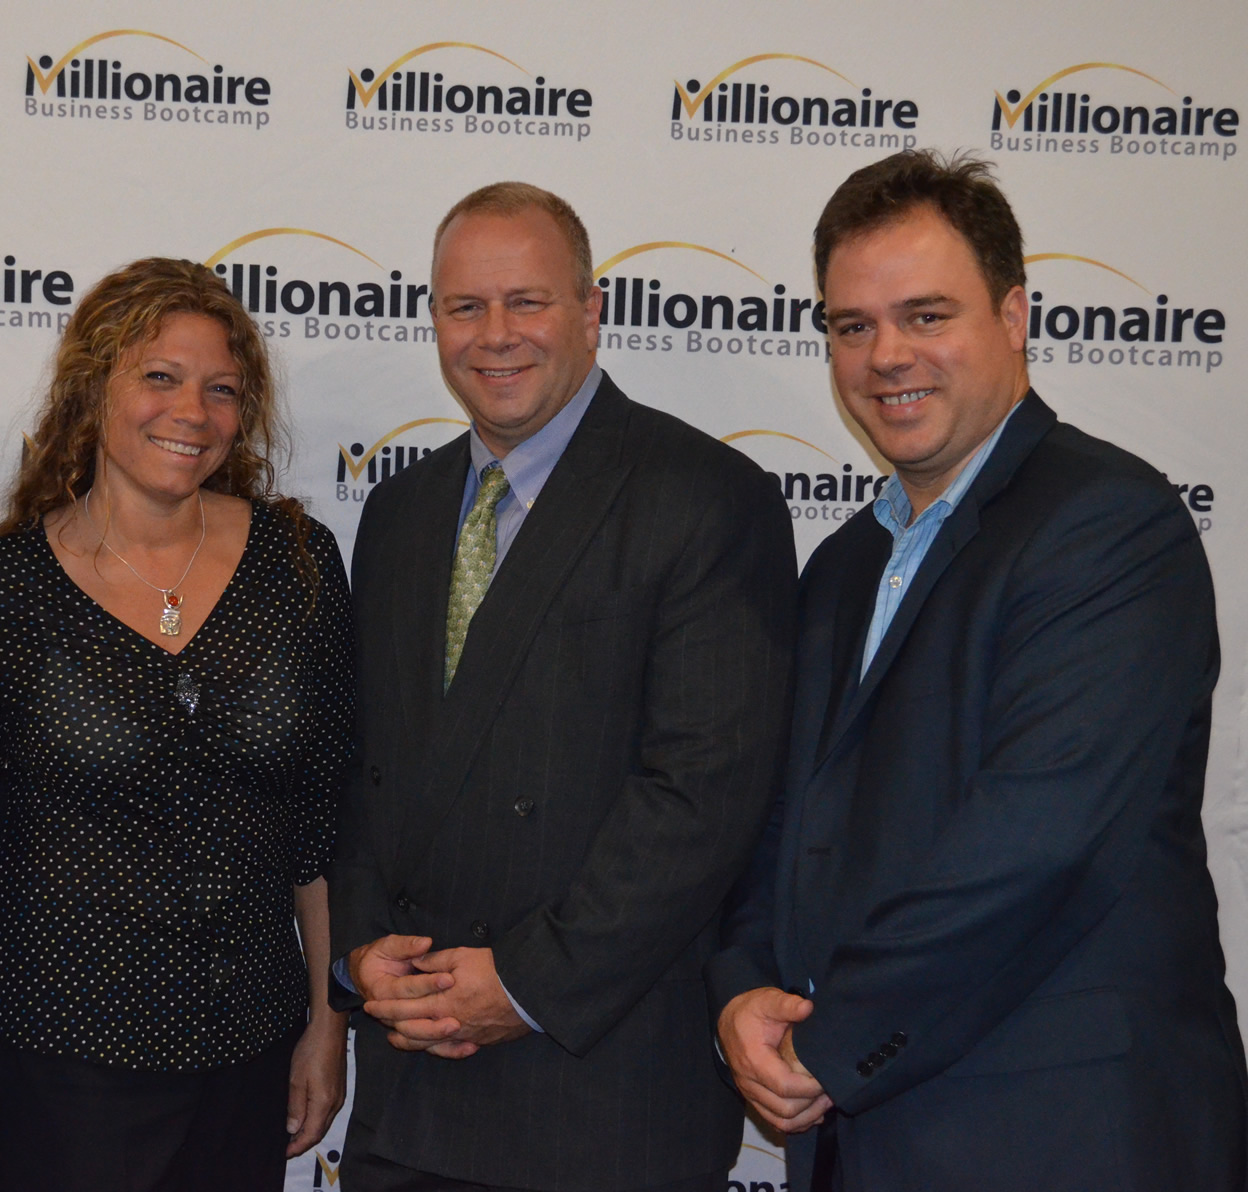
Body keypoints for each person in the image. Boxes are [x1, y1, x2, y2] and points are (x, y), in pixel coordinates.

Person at [708, 150, 1248, 1191]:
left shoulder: (1108, 523)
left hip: (1059, 1138)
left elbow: (1034, 842)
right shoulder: (843, 566)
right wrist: (740, 991)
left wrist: (829, 1041)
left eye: (926, 315)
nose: (886, 356)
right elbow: (782, 822)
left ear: (1013, 316)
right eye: (852, 326)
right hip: (863, 1135)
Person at [329, 182, 797, 1192]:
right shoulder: (398, 513)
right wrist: (363, 955)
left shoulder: (706, 498)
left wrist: (527, 984)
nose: (495, 334)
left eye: (527, 301)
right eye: (465, 306)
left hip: (600, 1098)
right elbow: (365, 766)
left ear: (591, 311)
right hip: (408, 1093)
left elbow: (704, 795)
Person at [0, 257, 352, 1191]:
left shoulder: (298, 564)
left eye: (221, 389)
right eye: (159, 377)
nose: (192, 412)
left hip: (248, 1050)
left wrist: (328, 1028)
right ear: (94, 391)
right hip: (64, 1063)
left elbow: (322, 823)